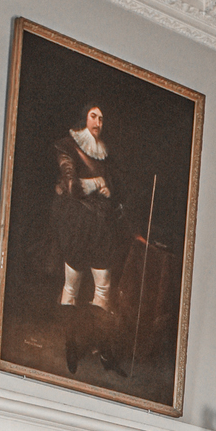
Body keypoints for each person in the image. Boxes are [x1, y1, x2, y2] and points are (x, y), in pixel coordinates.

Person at [51, 103, 127, 376]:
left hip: (102, 227)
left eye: (102, 118)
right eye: (94, 116)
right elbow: (71, 187)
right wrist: (96, 184)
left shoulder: (105, 153)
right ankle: (71, 347)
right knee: (71, 287)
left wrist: (109, 194)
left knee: (103, 292)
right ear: (83, 117)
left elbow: (117, 192)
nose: (98, 122)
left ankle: (104, 351)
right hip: (77, 225)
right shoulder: (67, 146)